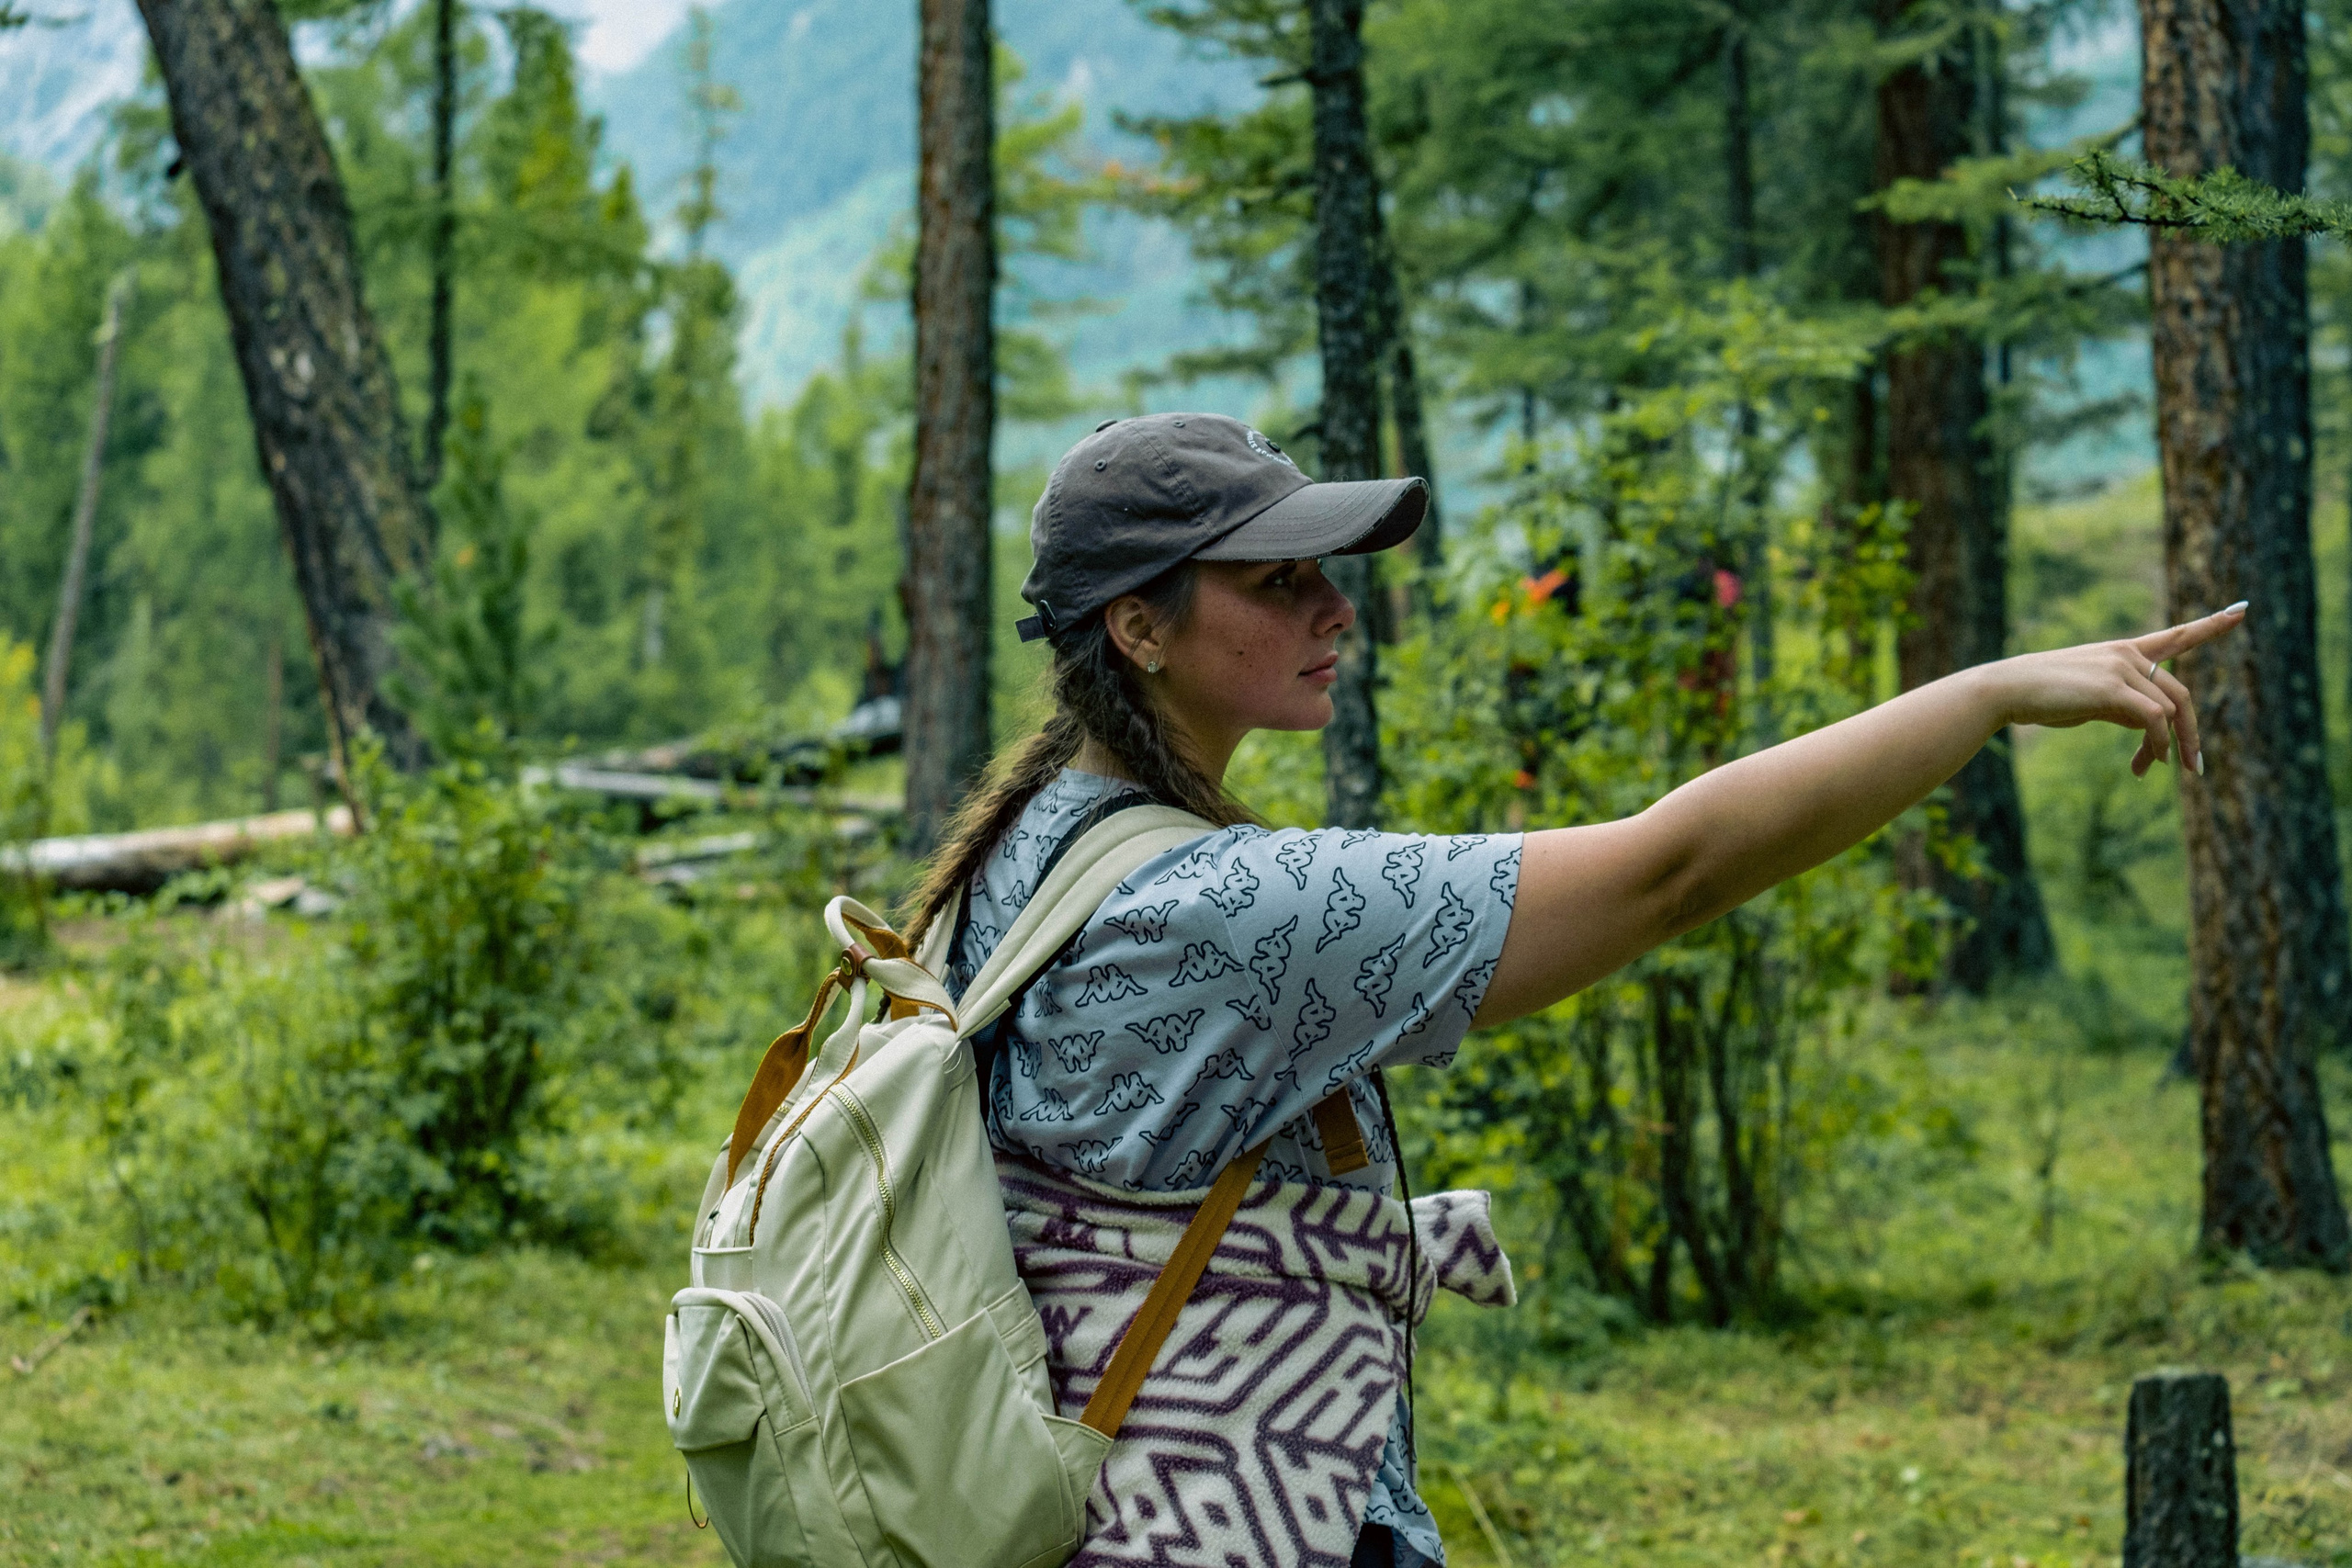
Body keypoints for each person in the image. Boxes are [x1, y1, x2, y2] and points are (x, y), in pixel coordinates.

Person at [900, 412, 2242, 1568]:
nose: (1335, 609)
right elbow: (1674, 871)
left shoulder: (1034, 843)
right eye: (1277, 579)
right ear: (1139, 626)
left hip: (1117, 1502)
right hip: (1237, 1520)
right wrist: (1988, 694)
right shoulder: (1217, 907)